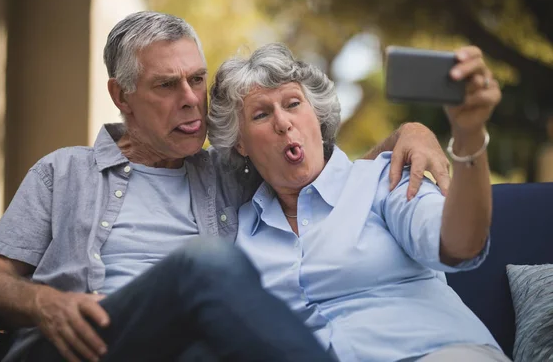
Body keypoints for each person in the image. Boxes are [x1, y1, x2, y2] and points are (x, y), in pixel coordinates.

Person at [0, 12, 450, 362]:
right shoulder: (62, 172)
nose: (192, 100)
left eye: (197, 79)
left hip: (189, 346)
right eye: (167, 85)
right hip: (82, 344)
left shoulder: (227, 169)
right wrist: (44, 302)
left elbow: (325, 174)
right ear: (121, 96)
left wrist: (409, 134)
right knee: (206, 262)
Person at [207, 43, 509, 362]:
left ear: (317, 116)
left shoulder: (381, 180)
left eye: (293, 104)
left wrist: (469, 133)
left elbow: (460, 244)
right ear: (240, 143)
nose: (282, 123)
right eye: (261, 114)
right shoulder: (243, 235)